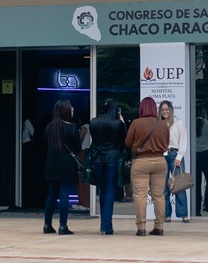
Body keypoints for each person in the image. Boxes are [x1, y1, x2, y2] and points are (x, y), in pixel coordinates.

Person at [126, 98, 170, 236]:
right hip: (159, 161)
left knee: (140, 195)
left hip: (141, 162)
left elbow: (128, 142)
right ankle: (159, 226)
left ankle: (141, 227)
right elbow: (166, 143)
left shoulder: (136, 123)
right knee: (159, 195)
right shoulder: (162, 124)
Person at [86, 102, 126, 234]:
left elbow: (94, 140)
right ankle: (105, 225)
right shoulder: (116, 124)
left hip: (97, 158)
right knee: (110, 191)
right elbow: (123, 140)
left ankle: (105, 223)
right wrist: (123, 123)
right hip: (112, 158)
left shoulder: (94, 122)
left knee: (103, 191)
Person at [41, 100, 80, 235]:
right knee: (64, 194)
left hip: (51, 164)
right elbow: (78, 148)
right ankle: (63, 226)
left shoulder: (49, 127)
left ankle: (47, 224)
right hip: (66, 164)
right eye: (71, 108)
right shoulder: (72, 128)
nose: (73, 109)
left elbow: (46, 144)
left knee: (52, 194)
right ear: (66, 111)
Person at [158, 99, 189, 222]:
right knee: (163, 187)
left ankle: (183, 214)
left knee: (179, 186)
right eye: (162, 110)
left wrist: (179, 157)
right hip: (161, 155)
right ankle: (167, 214)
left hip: (174, 154)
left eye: (167, 109)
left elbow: (183, 140)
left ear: (171, 110)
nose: (165, 112)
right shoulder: (158, 124)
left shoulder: (178, 123)